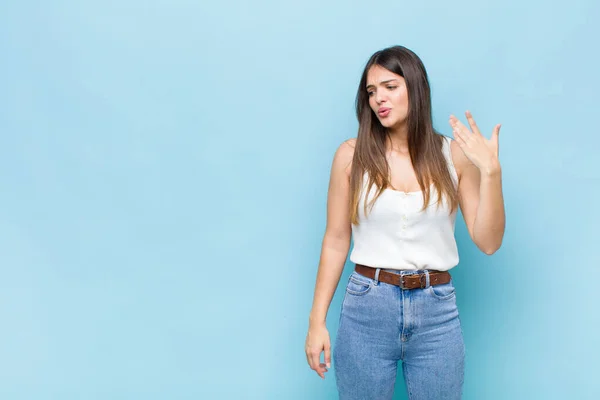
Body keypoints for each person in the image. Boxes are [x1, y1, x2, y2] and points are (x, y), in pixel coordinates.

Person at [304, 45, 505, 400]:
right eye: (371, 91)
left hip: (436, 310)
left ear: (416, 87)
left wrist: (491, 172)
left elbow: (488, 242)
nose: (378, 98)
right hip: (367, 306)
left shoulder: (453, 155)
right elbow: (336, 239)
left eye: (389, 86)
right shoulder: (351, 156)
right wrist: (316, 321)